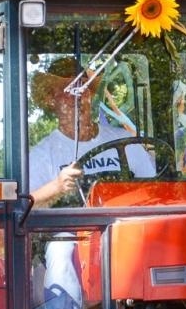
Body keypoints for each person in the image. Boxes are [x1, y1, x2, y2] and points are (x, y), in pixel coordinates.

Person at [28, 56, 157, 207]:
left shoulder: (125, 140)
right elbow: (23, 207)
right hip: (72, 229)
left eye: (82, 86)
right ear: (52, 99)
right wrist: (57, 187)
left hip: (126, 225)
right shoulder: (43, 155)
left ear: (90, 94)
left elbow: (152, 190)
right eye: (67, 89)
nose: (76, 96)